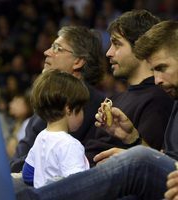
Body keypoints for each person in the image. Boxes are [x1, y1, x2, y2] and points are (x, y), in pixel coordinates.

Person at [16, 20, 178, 200]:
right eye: (155, 70)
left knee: (139, 158)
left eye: (162, 68)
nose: (157, 79)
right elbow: (164, 159)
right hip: (93, 177)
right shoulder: (168, 99)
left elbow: (152, 163)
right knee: (13, 185)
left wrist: (130, 156)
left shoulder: (157, 98)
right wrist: (133, 138)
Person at [10, 26, 105, 172]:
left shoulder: (99, 108)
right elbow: (17, 164)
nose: (47, 52)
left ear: (78, 61)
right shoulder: (49, 99)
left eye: (57, 48)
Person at [85, 9, 173, 166]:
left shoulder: (159, 98)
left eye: (117, 44)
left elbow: (154, 167)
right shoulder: (114, 99)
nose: (109, 53)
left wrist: (132, 142)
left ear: (140, 47)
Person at [22, 69, 90, 188]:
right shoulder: (70, 145)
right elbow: (79, 188)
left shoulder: (41, 137)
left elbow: (27, 174)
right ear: (68, 109)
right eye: (82, 108)